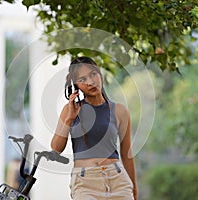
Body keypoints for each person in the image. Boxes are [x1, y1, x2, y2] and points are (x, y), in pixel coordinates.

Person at [51, 56, 137, 200]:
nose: (90, 82)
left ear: (100, 74)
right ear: (76, 85)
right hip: (85, 183)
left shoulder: (120, 111)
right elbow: (55, 148)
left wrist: (134, 189)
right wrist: (70, 118)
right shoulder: (71, 110)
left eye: (93, 74)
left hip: (118, 181)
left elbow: (127, 154)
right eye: (82, 79)